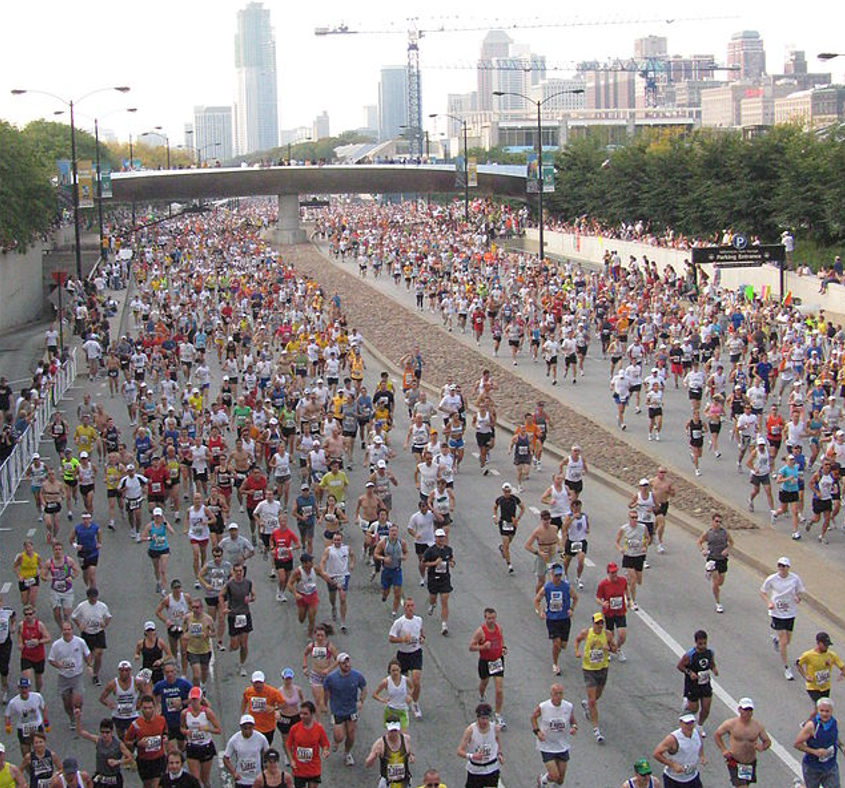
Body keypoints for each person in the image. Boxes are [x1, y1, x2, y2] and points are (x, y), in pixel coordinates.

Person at [760, 556, 806, 680]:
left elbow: (801, 591)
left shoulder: (795, 579)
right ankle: (786, 668)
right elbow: (762, 591)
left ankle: (776, 640)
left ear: (788, 567)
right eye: (779, 565)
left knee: (788, 641)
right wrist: (768, 602)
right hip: (777, 612)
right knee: (784, 641)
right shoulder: (772, 579)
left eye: (784, 566)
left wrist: (798, 597)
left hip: (790, 612)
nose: (781, 568)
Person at [573, 612, 613, 744]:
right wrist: (576, 651)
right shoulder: (586, 633)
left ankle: (586, 704)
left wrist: (610, 648)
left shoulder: (607, 634)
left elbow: (615, 647)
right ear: (593, 623)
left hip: (602, 668)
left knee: (598, 695)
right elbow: (577, 640)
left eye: (601, 623)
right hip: (589, 669)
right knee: (592, 701)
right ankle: (596, 729)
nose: (600, 625)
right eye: (597, 623)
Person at [713, 698, 771, 788]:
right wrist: (724, 750)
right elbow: (717, 734)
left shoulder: (757, 726)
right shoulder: (731, 724)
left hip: (749, 763)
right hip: (735, 761)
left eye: (750, 710)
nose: (748, 712)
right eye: (745, 710)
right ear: (739, 710)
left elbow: (767, 741)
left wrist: (762, 747)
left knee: (745, 785)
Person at [322, 652, 367, 765]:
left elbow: (364, 688)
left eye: (348, 661)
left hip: (351, 710)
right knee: (339, 736)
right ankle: (336, 741)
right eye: (343, 663)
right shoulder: (331, 678)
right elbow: (326, 692)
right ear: (339, 665)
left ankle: (347, 753)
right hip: (337, 711)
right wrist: (324, 704)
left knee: (351, 735)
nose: (347, 664)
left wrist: (361, 701)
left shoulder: (357, 676)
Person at [534, 563, 577, 676]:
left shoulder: (566, 587)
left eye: (560, 575)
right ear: (551, 574)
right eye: (556, 575)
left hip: (564, 619)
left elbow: (575, 597)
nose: (558, 578)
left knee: (563, 645)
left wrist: (571, 609)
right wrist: (540, 611)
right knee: (556, 643)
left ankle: (556, 651)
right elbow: (537, 600)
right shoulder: (547, 587)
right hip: (552, 619)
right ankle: (555, 664)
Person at [530, 683, 577, 787]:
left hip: (562, 745)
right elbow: (533, 717)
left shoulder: (568, 706)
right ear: (551, 694)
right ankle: (542, 781)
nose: (558, 696)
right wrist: (537, 732)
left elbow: (573, 721)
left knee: (560, 779)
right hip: (547, 745)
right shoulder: (544, 706)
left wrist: (574, 728)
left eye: (561, 693)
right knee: (554, 775)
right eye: (556, 693)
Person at [47, 620, 92, 727]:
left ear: (72, 630)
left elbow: (88, 654)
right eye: (64, 630)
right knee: (67, 702)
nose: (67, 632)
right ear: (62, 631)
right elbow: (51, 659)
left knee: (77, 701)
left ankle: (77, 716)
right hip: (63, 676)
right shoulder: (57, 645)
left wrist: (89, 665)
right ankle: (71, 717)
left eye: (68, 629)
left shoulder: (80, 642)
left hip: (77, 675)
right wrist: (58, 665)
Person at [73, 711, 134, 788]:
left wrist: (117, 762)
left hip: (114, 777)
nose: (104, 735)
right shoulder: (98, 740)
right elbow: (81, 732)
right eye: (102, 732)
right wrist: (77, 718)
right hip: (100, 776)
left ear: (111, 732)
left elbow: (130, 758)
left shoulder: (118, 744)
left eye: (107, 732)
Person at [469, 608, 507, 729]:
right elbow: (471, 647)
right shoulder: (480, 631)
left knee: (499, 690)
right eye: (489, 618)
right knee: (484, 682)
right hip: (485, 661)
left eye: (493, 618)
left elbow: (501, 640)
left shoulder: (499, 628)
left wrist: (504, 648)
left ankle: (497, 714)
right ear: (485, 618)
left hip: (497, 661)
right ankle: (481, 695)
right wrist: (483, 646)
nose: (491, 621)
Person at [794, 697, 843, 788]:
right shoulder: (811, 726)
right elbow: (797, 744)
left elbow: (835, 738)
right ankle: (798, 786)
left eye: (827, 711)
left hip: (830, 766)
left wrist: (842, 747)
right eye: (821, 711)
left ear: (832, 711)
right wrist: (815, 752)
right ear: (817, 710)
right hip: (813, 767)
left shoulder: (835, 723)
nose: (824, 714)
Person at [796, 633, 845, 722]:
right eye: (825, 645)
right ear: (818, 643)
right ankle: (808, 725)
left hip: (825, 687)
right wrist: (805, 676)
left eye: (828, 645)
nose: (827, 647)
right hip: (813, 687)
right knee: (820, 709)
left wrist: (842, 673)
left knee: (822, 709)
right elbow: (798, 664)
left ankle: (812, 724)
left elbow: (842, 666)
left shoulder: (831, 655)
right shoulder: (808, 655)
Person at [677, 630, 718, 737]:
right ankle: (685, 713)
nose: (703, 646)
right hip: (693, 685)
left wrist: (714, 669)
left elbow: (711, 663)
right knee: (694, 708)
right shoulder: (690, 655)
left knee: (706, 707)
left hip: (705, 684)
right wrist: (689, 672)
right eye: (700, 644)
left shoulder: (709, 652)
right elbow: (680, 666)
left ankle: (699, 725)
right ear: (696, 642)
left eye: (705, 643)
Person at [389, 600, 424, 721]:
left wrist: (422, 638)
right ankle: (404, 702)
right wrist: (403, 639)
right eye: (408, 606)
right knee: (404, 682)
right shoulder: (399, 622)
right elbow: (391, 638)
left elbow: (421, 633)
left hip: (416, 653)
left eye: (412, 605)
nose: (410, 608)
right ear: (404, 608)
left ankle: (415, 703)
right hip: (403, 654)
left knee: (416, 680)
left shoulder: (419, 620)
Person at [124, 694, 168, 788]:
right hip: (144, 761)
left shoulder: (161, 720)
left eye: (150, 708)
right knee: (147, 785)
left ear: (154, 708)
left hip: (159, 759)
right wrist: (137, 743)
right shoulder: (136, 724)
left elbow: (165, 731)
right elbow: (127, 741)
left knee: (156, 785)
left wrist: (165, 737)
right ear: (141, 708)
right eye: (145, 708)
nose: (147, 710)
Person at [181, 686, 221, 788]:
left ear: (200, 699)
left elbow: (218, 730)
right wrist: (186, 732)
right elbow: (181, 728)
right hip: (192, 746)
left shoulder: (207, 712)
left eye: (196, 699)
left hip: (205, 746)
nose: (194, 702)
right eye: (192, 699)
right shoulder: (185, 713)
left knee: (204, 779)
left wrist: (206, 728)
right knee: (195, 780)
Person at [456, 702, 503, 788]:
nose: (484, 721)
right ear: (478, 717)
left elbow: (496, 740)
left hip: (491, 768)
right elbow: (459, 751)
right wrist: (472, 756)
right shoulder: (470, 730)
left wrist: (499, 753)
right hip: (476, 770)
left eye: (487, 718)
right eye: (482, 718)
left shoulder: (495, 728)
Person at [71, 586, 111, 686]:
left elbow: (108, 617)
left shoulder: (102, 606)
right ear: (88, 597)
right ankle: (89, 665)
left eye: (95, 597)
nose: (93, 599)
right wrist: (79, 625)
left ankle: (95, 674)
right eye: (91, 597)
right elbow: (74, 616)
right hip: (87, 633)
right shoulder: (82, 606)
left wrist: (104, 624)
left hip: (98, 633)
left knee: (99, 654)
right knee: (88, 656)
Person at [652, 713, 705, 788]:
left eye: (692, 723)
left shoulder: (697, 732)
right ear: (680, 723)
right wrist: (673, 765)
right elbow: (656, 754)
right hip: (675, 780)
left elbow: (700, 742)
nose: (690, 726)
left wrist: (701, 755)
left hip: (692, 776)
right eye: (687, 723)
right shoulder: (672, 739)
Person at [221, 563, 256, 676]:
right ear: (234, 572)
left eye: (240, 571)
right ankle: (232, 645)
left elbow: (254, 596)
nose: (239, 573)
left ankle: (242, 665)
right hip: (233, 615)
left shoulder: (248, 583)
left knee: (244, 644)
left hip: (245, 615)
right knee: (235, 645)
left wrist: (250, 599)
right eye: (236, 571)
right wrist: (224, 608)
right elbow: (221, 595)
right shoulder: (229, 584)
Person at [285, 701, 330, 788]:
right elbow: (288, 745)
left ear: (312, 714)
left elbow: (325, 744)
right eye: (301, 713)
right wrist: (291, 760)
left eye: (305, 714)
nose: (302, 716)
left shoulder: (318, 729)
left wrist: (325, 751)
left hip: (313, 767)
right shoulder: (294, 728)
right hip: (299, 768)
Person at [696, 511, 733, 614]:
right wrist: (702, 550)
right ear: (712, 522)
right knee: (716, 582)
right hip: (712, 559)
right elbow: (699, 542)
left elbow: (731, 543)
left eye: (720, 522)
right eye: (716, 521)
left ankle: (709, 572)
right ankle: (718, 603)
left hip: (722, 559)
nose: (718, 524)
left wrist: (727, 550)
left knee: (721, 582)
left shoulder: (725, 533)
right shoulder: (708, 533)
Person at [152, 659, 192, 753]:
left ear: (175, 672)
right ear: (164, 673)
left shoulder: (183, 684)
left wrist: (182, 703)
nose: (169, 674)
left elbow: (195, 696)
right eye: (167, 672)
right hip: (167, 722)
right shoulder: (160, 685)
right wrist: (157, 706)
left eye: (171, 672)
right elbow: (153, 696)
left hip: (180, 721)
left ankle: (181, 760)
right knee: (170, 749)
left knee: (181, 746)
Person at [364, 717, 414, 788]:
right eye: (391, 730)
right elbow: (367, 764)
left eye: (395, 730)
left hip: (404, 783)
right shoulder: (380, 744)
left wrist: (411, 756)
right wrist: (374, 756)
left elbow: (410, 753)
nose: (393, 733)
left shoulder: (406, 739)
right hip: (387, 784)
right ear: (387, 728)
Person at [4, 677, 48, 758]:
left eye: (26, 687)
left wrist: (46, 722)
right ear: (18, 688)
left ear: (29, 688)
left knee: (40, 751)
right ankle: (29, 770)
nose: (24, 690)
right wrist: (7, 726)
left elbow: (44, 707)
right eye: (21, 688)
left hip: (36, 726)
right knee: (26, 754)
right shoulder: (14, 702)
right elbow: (7, 715)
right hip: (23, 728)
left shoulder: (37, 697)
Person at [615, 509, 650, 610]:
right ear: (628, 518)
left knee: (639, 581)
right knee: (634, 580)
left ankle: (628, 580)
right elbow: (616, 541)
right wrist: (620, 549)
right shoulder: (624, 528)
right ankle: (633, 601)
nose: (634, 520)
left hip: (639, 555)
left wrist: (645, 545)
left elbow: (648, 538)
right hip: (628, 556)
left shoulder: (643, 527)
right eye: (632, 518)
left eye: (636, 518)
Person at [421, 529, 454, 635]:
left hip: (445, 578)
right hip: (433, 578)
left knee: (444, 600)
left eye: (442, 537)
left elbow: (451, 559)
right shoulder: (430, 551)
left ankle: (444, 625)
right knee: (433, 597)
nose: (441, 540)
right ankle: (432, 605)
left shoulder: (448, 550)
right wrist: (434, 563)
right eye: (439, 538)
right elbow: (423, 563)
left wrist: (452, 562)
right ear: (435, 538)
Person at [595, 562, 630, 660]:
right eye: (612, 573)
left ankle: (617, 649)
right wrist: (602, 604)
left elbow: (626, 589)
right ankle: (608, 650)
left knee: (622, 634)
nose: (614, 574)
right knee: (610, 634)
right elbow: (597, 597)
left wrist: (629, 599)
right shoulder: (603, 584)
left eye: (615, 572)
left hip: (620, 611)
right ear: (608, 573)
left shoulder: (622, 580)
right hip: (609, 612)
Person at [223, 714, 269, 788]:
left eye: (250, 728)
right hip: (241, 780)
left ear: (253, 727)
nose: (247, 730)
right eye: (245, 728)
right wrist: (233, 773)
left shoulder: (261, 738)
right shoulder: (234, 740)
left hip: (257, 778)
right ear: (241, 727)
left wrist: (266, 770)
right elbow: (226, 758)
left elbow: (267, 754)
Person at [241, 671, 284, 747]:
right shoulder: (248, 691)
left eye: (260, 682)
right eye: (255, 683)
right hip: (253, 727)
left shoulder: (273, 692)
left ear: (264, 682)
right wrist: (243, 715)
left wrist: (274, 708)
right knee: (253, 748)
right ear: (252, 682)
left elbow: (283, 704)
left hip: (268, 727)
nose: (258, 685)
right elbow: (244, 701)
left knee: (266, 748)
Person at [493, 483, 524, 575]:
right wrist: (494, 517)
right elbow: (495, 507)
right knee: (506, 544)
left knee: (509, 540)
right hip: (503, 523)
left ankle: (502, 548)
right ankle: (509, 565)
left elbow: (523, 508)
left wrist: (518, 519)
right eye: (505, 491)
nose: (507, 493)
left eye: (508, 491)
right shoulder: (500, 499)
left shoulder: (515, 499)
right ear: (503, 491)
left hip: (512, 523)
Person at [372, 660, 412, 731]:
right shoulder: (386, 682)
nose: (395, 672)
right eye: (393, 670)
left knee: (403, 735)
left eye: (397, 670)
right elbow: (374, 694)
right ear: (389, 671)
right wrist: (382, 700)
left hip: (402, 710)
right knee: (393, 735)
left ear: (400, 669)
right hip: (391, 711)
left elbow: (412, 688)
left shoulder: (405, 680)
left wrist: (409, 696)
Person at [18, 605, 49, 692]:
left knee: (38, 677)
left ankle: (38, 693)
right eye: (26, 614)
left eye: (30, 614)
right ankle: (28, 695)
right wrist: (20, 643)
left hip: (38, 656)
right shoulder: (21, 625)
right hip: (26, 655)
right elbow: (19, 634)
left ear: (34, 614)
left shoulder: (39, 625)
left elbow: (48, 638)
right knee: (26, 677)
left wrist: (38, 641)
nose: (28, 616)